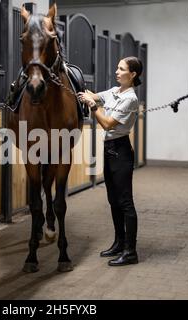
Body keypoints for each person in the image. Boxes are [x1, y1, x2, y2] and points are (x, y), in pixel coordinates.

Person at [78, 56, 143, 266]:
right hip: (109, 150)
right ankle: (119, 243)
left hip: (121, 151)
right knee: (113, 200)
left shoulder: (130, 98)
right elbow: (94, 95)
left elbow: (107, 124)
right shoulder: (115, 92)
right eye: (117, 67)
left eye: (121, 69)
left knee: (125, 202)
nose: (117, 71)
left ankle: (131, 251)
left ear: (132, 74)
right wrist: (81, 89)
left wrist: (93, 106)